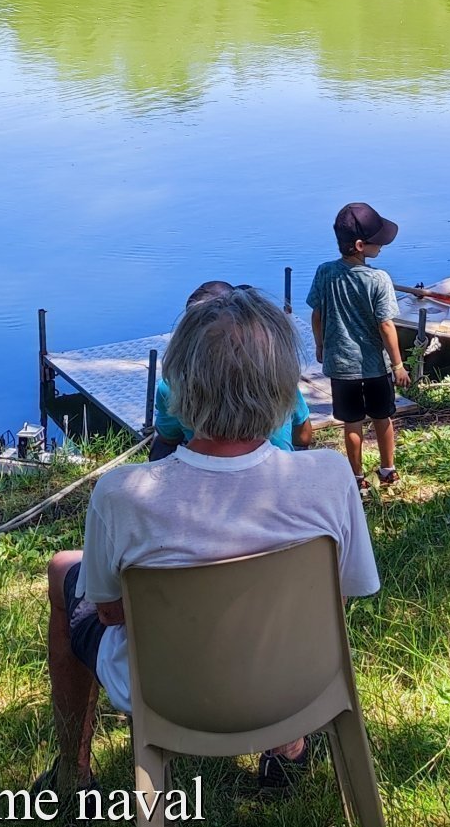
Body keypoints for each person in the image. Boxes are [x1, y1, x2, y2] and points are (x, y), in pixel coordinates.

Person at [44, 286, 378, 793]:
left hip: (168, 696)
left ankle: (73, 772)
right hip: (301, 683)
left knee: (62, 571)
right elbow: (347, 590)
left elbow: (109, 613)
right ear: (284, 386)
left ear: (180, 384)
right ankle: (288, 744)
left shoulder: (122, 494)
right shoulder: (331, 477)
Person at [307, 202, 411, 496]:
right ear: (360, 246)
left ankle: (357, 478)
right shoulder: (379, 279)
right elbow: (386, 325)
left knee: (351, 424)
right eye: (378, 241)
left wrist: (320, 344)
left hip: (341, 366)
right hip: (374, 366)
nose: (382, 246)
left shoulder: (325, 273)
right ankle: (388, 470)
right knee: (382, 418)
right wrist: (398, 365)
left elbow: (317, 314)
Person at [151, 281, 318, 457]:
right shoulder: (279, 379)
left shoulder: (172, 386)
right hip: (280, 467)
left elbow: (168, 438)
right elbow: (304, 437)